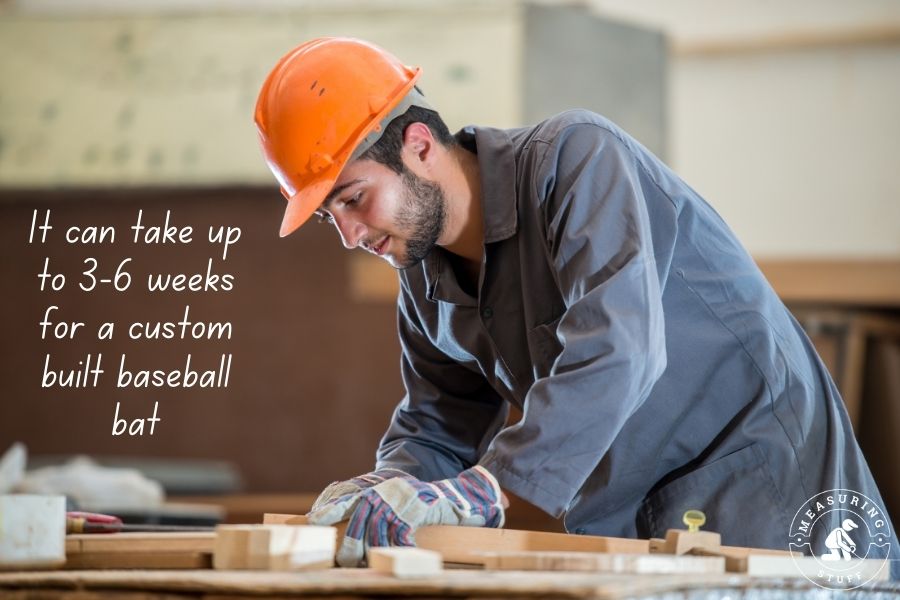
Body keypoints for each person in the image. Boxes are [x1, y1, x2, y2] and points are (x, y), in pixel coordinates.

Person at [254, 37, 895, 571]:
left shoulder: (575, 161)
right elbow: (436, 424)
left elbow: (619, 352)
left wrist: (485, 487)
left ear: (419, 145)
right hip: (641, 522)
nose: (351, 235)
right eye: (329, 216)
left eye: (352, 199)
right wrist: (391, 487)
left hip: (767, 485)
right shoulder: (424, 275)